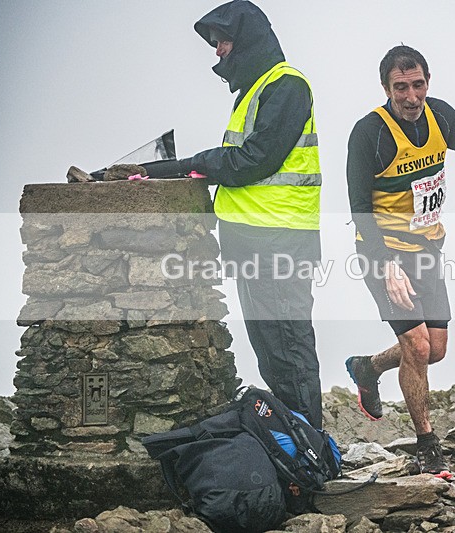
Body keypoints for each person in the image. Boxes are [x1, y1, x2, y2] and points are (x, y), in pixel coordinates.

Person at [147, 0, 323, 428]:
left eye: (222, 41)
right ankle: (298, 450)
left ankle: (310, 452)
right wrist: (167, 170)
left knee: (287, 349)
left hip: (278, 240)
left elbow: (253, 160)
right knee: (274, 351)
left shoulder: (286, 85)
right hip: (258, 240)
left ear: (245, 40)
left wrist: (180, 166)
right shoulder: (259, 87)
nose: (218, 51)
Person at [345, 45, 455, 476]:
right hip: (383, 253)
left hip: (428, 249)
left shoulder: (440, 116)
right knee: (416, 345)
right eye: (401, 87)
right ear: (386, 89)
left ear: (428, 83)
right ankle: (426, 443)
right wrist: (385, 264)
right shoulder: (369, 134)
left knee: (434, 350)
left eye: (418, 85)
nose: (411, 96)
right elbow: (359, 208)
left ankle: (368, 367)